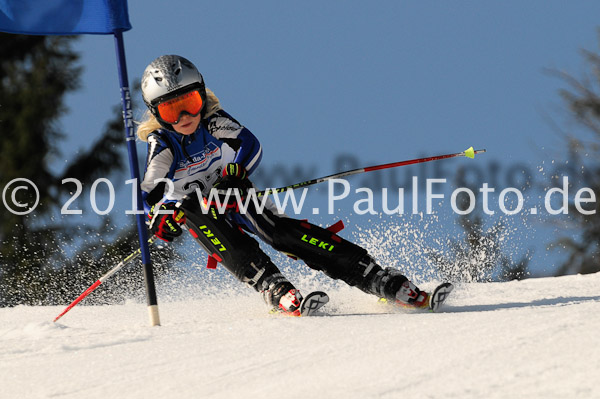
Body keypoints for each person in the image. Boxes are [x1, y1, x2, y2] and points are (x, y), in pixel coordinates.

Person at [137, 54, 429, 316]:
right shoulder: (163, 143)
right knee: (196, 213)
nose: (185, 117)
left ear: (202, 96)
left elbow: (250, 145)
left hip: (232, 192)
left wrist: (234, 177)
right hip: (196, 208)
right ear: (156, 114)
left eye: (190, 104)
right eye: (171, 111)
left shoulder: (214, 121)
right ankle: (272, 286)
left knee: (279, 232)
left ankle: (373, 276)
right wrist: (160, 214)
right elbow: (151, 189)